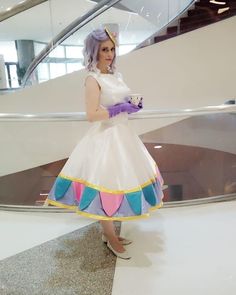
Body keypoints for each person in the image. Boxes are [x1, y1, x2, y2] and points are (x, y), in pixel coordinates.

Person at [46, 27, 164, 259]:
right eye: (104, 49)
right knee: (106, 184)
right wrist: (118, 109)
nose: (110, 54)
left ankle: (109, 232)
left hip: (124, 135)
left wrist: (131, 106)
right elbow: (91, 114)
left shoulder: (116, 75)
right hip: (106, 138)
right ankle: (109, 235)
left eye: (112, 49)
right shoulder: (93, 79)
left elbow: (121, 101)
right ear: (95, 51)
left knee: (121, 183)